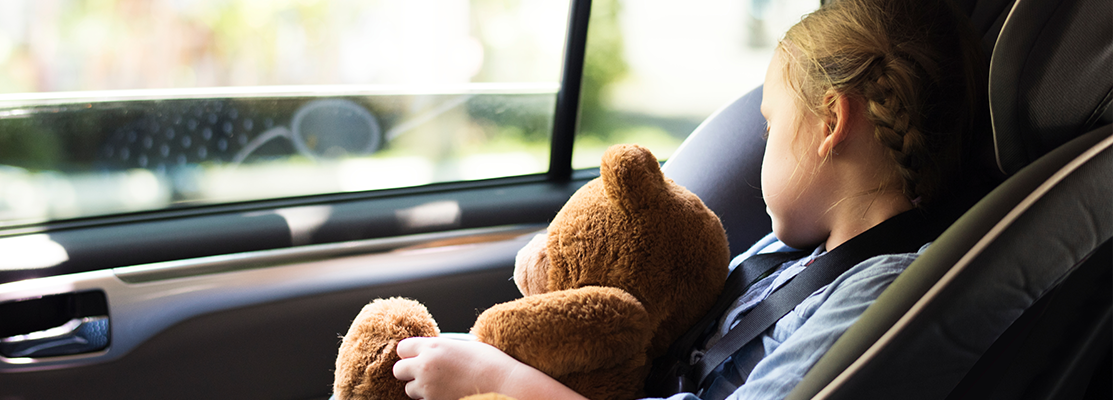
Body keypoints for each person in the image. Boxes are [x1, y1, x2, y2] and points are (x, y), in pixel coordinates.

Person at [390, 0, 986, 398]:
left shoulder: (879, 295)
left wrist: (501, 381)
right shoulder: (784, 255)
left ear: (831, 121)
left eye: (771, 126)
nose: (763, 146)